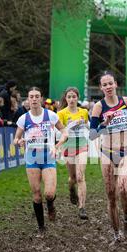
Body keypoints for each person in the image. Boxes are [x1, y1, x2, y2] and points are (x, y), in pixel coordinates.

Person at [89, 71, 127, 243]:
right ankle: (116, 232)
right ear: (101, 88)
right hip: (107, 153)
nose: (108, 87)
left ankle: (126, 219)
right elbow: (92, 135)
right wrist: (105, 123)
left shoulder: (126, 102)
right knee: (111, 195)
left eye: (110, 83)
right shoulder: (98, 107)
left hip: (126, 151)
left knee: (123, 188)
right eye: (104, 85)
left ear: (116, 84)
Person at [14, 87, 68, 235]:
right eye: (31, 97)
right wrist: (19, 142)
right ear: (28, 99)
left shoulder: (50, 115)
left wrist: (58, 145)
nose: (34, 99)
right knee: (37, 194)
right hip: (32, 158)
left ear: (41, 99)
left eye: (37, 96)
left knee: (49, 193)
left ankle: (50, 206)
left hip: (48, 157)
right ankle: (41, 227)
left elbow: (64, 132)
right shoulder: (23, 119)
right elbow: (16, 138)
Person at [57, 87, 89, 220]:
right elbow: (60, 131)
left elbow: (87, 125)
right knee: (73, 178)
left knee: (81, 177)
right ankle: (71, 189)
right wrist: (70, 127)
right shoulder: (61, 113)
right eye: (69, 97)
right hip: (68, 147)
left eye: (74, 97)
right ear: (66, 98)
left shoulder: (84, 112)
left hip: (82, 145)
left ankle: (82, 208)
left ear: (77, 98)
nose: (71, 99)